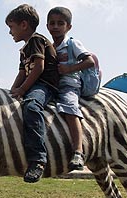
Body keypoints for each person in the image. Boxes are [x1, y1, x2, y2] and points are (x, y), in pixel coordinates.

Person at [5, 4, 59, 183]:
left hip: (45, 85)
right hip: (34, 84)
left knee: (31, 106)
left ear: (24, 25)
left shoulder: (36, 40)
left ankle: (38, 159)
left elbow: (38, 68)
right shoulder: (24, 49)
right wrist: (11, 91)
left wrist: (22, 90)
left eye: (11, 27)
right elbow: (22, 73)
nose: (10, 32)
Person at [46, 7, 95, 171]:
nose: (55, 26)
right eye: (52, 23)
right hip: (53, 86)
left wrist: (69, 69)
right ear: (47, 26)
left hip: (69, 85)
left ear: (68, 27)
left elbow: (89, 62)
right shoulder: (50, 47)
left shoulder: (72, 43)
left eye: (60, 23)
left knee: (69, 108)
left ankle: (78, 151)